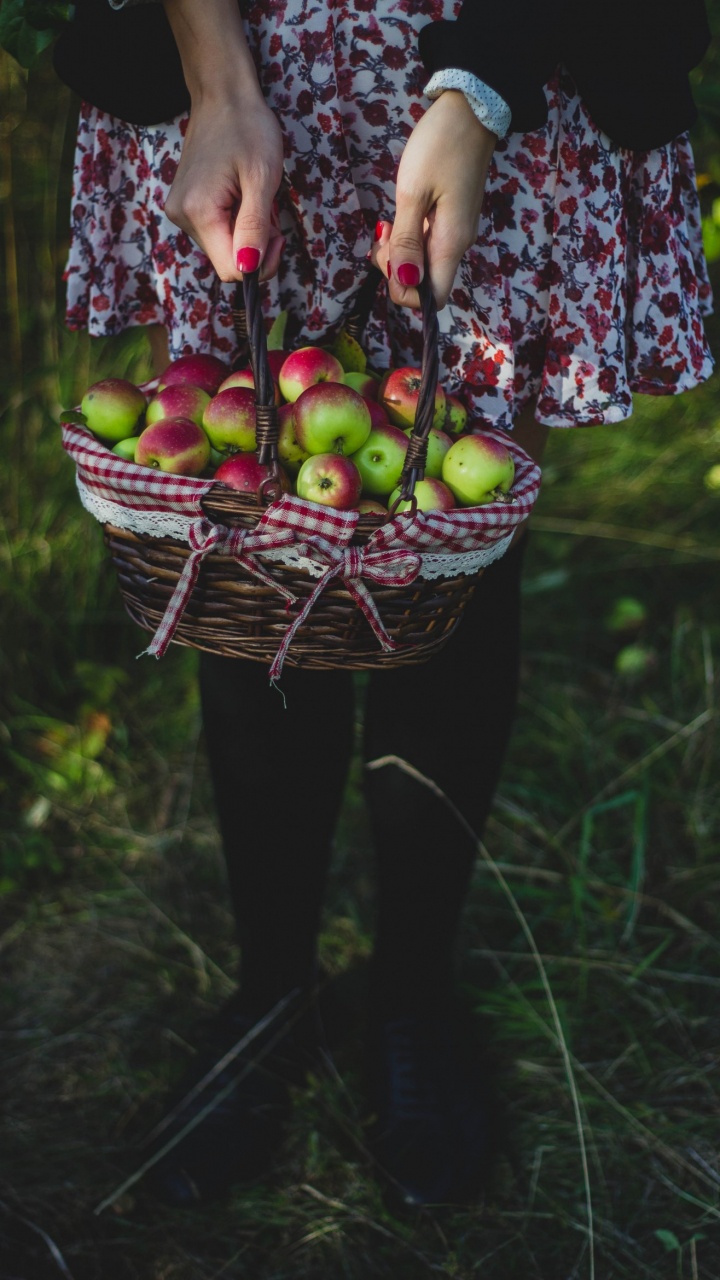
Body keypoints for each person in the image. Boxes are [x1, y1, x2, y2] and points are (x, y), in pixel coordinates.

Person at [55, 0, 713, 1209]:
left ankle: (413, 988)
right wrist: (213, 74)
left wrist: (480, 90)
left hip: (509, 51)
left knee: (446, 539)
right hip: (265, 65)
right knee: (249, 547)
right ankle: (271, 991)